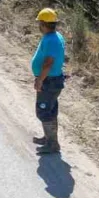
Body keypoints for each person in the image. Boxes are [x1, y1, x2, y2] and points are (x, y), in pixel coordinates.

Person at [31, 9, 66, 155]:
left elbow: (48, 63)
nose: (39, 25)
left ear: (44, 24)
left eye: (40, 22)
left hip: (49, 81)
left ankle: (52, 144)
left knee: (44, 111)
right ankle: (48, 138)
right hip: (52, 80)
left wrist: (40, 80)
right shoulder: (55, 36)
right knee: (50, 110)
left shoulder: (51, 40)